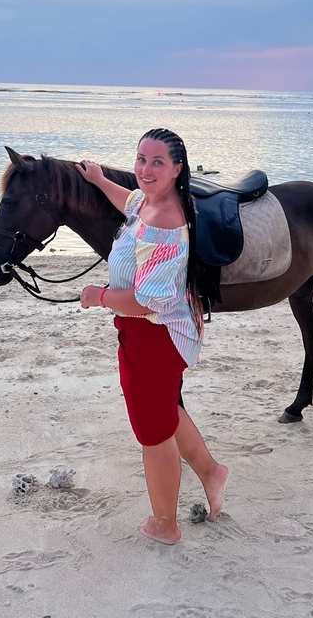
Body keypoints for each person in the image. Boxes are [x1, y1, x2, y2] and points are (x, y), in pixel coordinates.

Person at [77, 127, 228, 545]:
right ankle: (212, 473)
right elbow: (126, 199)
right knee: (164, 412)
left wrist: (100, 296)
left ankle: (166, 524)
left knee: (154, 433)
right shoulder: (146, 201)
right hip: (142, 334)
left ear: (178, 168)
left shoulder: (165, 220)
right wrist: (98, 179)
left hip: (155, 336)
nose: (145, 169)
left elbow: (149, 300)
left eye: (157, 162)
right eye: (140, 159)